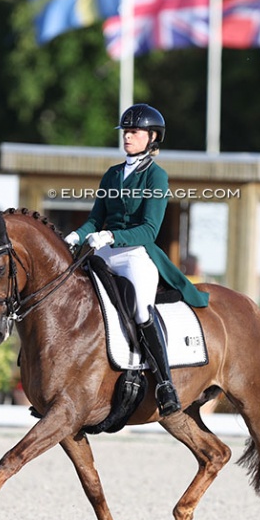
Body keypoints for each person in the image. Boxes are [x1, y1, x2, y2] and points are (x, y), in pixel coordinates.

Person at [64, 104, 209, 417]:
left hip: (134, 254)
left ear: (152, 137)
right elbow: (95, 219)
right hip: (103, 250)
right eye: (126, 131)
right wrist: (75, 236)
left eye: (135, 132)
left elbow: (149, 229)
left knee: (141, 309)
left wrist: (113, 237)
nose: (128, 136)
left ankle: (164, 384)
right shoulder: (113, 174)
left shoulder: (156, 176)